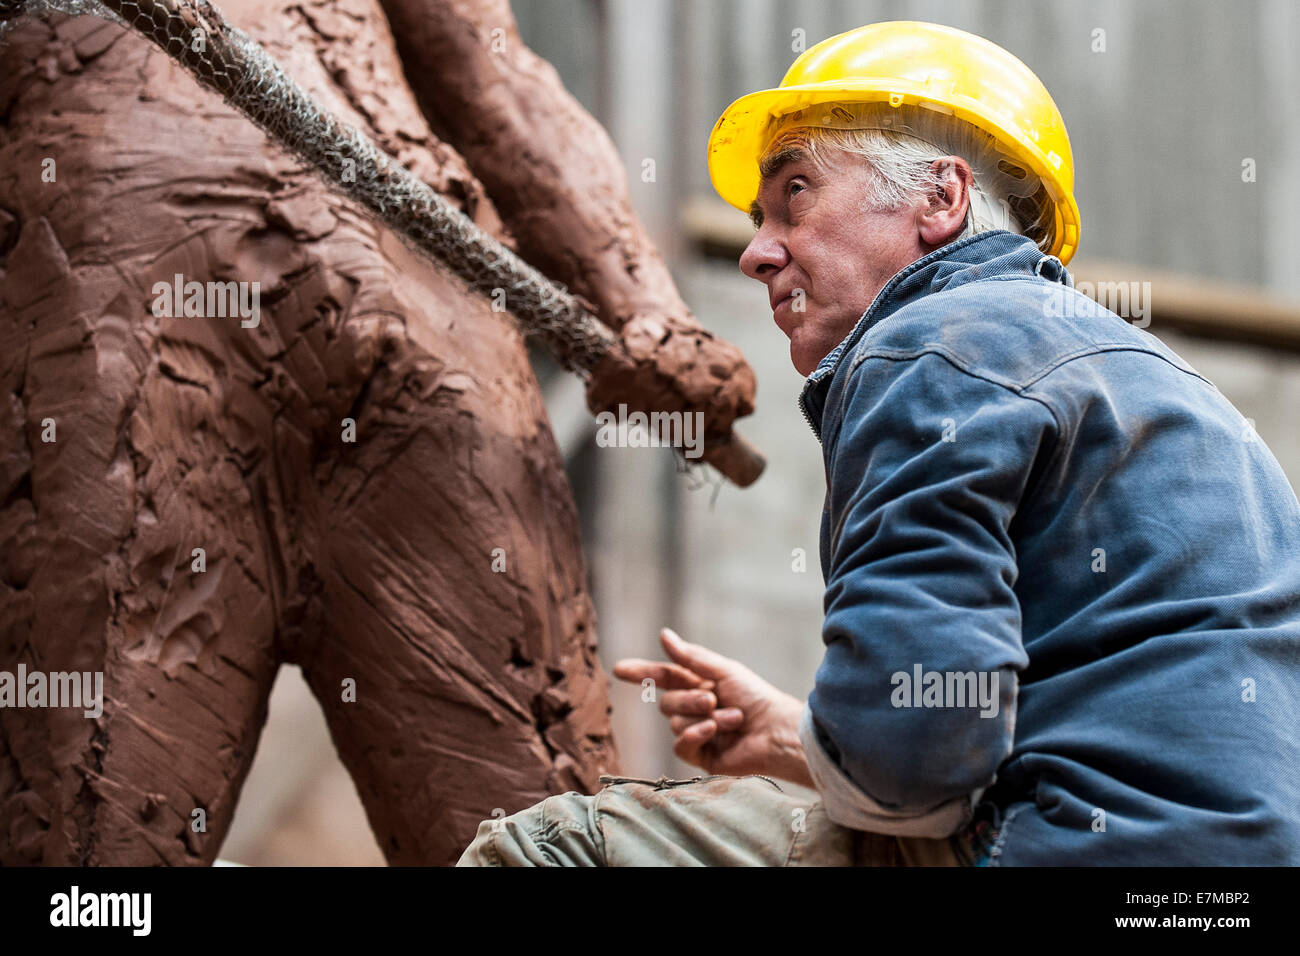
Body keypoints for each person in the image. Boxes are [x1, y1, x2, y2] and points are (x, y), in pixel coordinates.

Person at [457, 20, 1300, 866]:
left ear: (941, 199)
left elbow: (916, 763)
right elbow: (1030, 729)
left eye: (796, 192)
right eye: (758, 216)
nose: (756, 252)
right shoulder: (1169, 388)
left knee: (554, 847)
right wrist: (799, 736)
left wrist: (850, 746)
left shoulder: (928, 345)